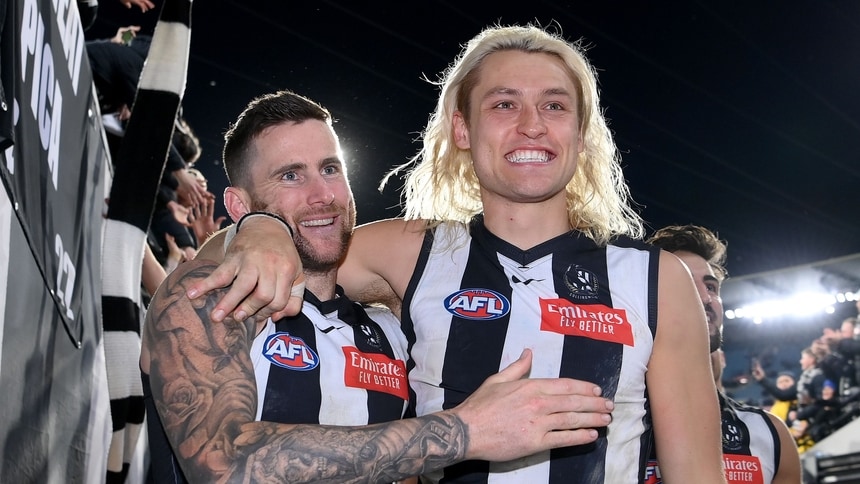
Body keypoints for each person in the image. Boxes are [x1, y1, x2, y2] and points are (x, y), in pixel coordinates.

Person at [190, 24, 725, 483]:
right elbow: (240, 262)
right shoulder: (409, 253)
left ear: (581, 133)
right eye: (504, 103)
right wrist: (260, 227)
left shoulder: (658, 279)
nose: (532, 124)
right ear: (462, 130)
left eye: (555, 105)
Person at [141, 89, 615, 483]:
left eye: (330, 169)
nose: (322, 194)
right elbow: (226, 465)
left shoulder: (390, 326)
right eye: (290, 176)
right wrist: (467, 430)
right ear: (239, 204)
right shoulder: (211, 295)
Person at [647, 224, 801, 484]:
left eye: (711, 287)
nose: (706, 298)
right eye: (684, 282)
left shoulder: (770, 435)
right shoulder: (610, 424)